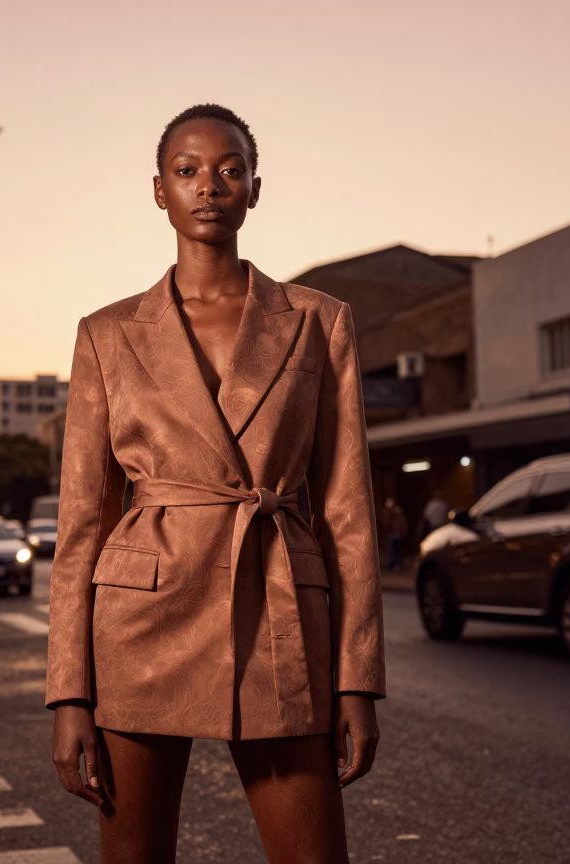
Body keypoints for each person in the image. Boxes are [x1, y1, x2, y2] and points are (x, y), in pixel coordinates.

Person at [47, 104, 385, 863]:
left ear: (255, 189)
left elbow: (347, 512)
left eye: (230, 169)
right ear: (159, 191)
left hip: (278, 609)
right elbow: (82, 525)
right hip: (141, 620)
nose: (210, 186)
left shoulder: (318, 321)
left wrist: (357, 680)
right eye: (188, 170)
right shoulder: (106, 334)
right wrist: (70, 692)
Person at [379, 498, 408, 572]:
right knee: (393, 550)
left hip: (395, 535)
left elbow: (401, 523)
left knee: (395, 550)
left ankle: (397, 565)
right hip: (392, 534)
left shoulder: (396, 513)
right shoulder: (390, 514)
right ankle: (395, 564)